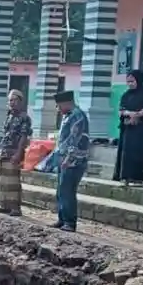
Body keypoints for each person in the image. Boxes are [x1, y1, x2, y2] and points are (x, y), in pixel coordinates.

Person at [51, 91, 90, 232]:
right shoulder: (67, 116)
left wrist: (69, 158)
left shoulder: (77, 116)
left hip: (74, 161)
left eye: (58, 106)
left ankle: (70, 222)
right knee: (61, 190)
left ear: (66, 103)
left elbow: (76, 139)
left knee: (67, 191)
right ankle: (62, 219)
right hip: (63, 159)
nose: (58, 109)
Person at [113, 69, 143, 185]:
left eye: (132, 81)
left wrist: (137, 115)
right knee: (127, 153)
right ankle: (126, 177)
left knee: (140, 153)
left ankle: (139, 178)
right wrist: (130, 114)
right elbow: (121, 110)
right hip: (128, 128)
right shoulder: (126, 95)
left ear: (138, 80)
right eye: (128, 82)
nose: (130, 84)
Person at [0, 90, 32, 216]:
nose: (12, 103)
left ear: (20, 101)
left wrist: (18, 153)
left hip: (15, 152)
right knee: (2, 180)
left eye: (14, 100)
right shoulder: (9, 115)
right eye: (10, 100)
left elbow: (23, 136)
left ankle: (15, 207)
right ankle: (4, 205)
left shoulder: (24, 118)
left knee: (13, 181)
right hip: (5, 151)